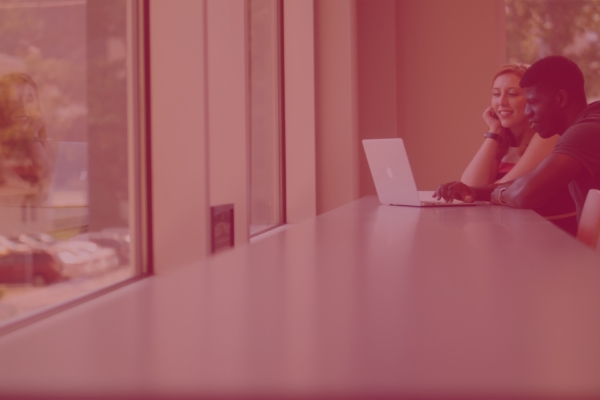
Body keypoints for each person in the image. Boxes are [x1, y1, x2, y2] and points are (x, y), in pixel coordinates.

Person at [435, 55, 600, 227]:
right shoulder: (587, 123)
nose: (528, 112)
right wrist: (474, 192)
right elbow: (524, 182)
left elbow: (524, 194)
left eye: (533, 102)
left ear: (561, 99)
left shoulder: (585, 132)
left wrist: (497, 194)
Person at [0, 73, 51, 189]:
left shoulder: (39, 139)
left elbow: (49, 177)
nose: (23, 107)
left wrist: (33, 135)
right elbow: (7, 180)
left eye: (30, 99)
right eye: (15, 100)